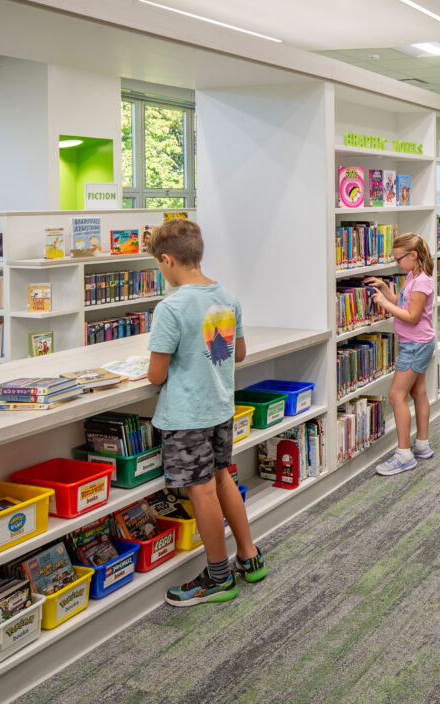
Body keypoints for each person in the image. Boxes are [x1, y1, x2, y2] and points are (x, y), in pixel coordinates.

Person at [145, 218, 264, 607]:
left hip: (187, 414)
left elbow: (155, 374)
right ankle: (248, 555)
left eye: (158, 265)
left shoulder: (171, 307)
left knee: (201, 491)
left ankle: (218, 577)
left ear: (166, 260)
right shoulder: (227, 297)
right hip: (219, 406)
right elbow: (237, 354)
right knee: (222, 477)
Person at [365, 232, 436, 476]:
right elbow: (402, 302)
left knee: (396, 395)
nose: (397, 263)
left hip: (415, 345)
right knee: (418, 391)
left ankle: (404, 454)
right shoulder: (411, 276)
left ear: (413, 255)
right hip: (417, 343)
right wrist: (385, 289)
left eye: (399, 259)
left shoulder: (423, 282)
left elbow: (412, 316)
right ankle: (422, 445)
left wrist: (385, 306)